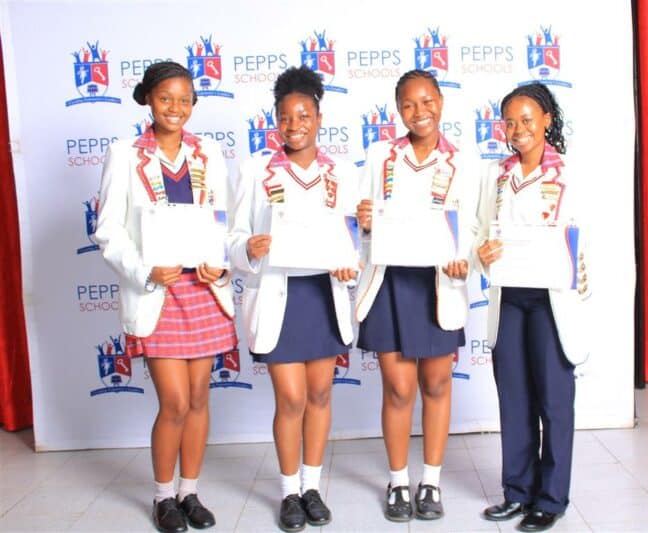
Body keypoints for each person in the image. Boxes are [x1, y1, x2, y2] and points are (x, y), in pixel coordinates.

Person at [95, 61, 236, 533]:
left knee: (198, 398)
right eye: (165, 98)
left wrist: (221, 261)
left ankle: (188, 492)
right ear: (148, 100)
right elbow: (108, 230)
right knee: (174, 402)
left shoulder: (208, 152)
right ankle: (162, 496)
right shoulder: (123, 154)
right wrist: (144, 271)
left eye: (184, 99)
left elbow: (222, 219)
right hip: (158, 291)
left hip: (203, 289)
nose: (175, 107)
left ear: (193, 103)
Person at [228, 66, 359, 532]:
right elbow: (234, 237)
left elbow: (355, 236)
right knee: (290, 398)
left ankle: (311, 487)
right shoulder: (254, 170)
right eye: (285, 117)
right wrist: (249, 247)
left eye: (304, 116)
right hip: (278, 296)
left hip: (322, 295)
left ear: (319, 119)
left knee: (320, 394)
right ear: (276, 121)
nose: (294, 125)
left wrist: (349, 263)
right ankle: (288, 492)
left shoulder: (342, 172)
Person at [355, 69, 479, 522]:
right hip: (390, 283)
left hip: (437, 285)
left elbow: (472, 225)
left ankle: (430, 481)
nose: (418, 112)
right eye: (408, 104)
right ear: (398, 110)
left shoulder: (464, 162)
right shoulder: (380, 156)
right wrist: (364, 220)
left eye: (427, 102)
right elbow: (360, 219)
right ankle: (397, 482)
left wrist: (463, 258)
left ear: (441, 102)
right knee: (398, 388)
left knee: (437, 384)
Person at [474, 83, 591, 532]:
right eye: (509, 122)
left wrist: (571, 266)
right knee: (515, 398)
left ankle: (551, 498)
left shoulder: (569, 173)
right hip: (509, 297)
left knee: (554, 401)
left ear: (546, 120)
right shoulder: (495, 175)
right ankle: (517, 492)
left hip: (550, 299)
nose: (517, 129)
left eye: (526, 119)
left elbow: (583, 236)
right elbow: (480, 230)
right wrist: (481, 252)